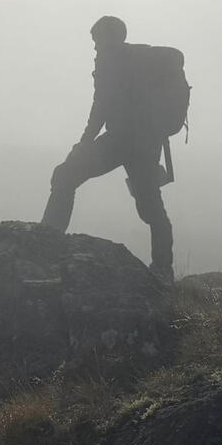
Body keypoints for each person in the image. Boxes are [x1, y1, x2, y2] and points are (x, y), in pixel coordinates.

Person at [40, 16, 176, 283]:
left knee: (65, 176)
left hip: (120, 140)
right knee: (151, 207)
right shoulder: (139, 60)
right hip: (147, 143)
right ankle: (163, 270)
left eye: (96, 41)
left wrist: (84, 143)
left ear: (107, 38)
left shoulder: (109, 60)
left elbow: (99, 107)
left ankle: (46, 244)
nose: (94, 48)